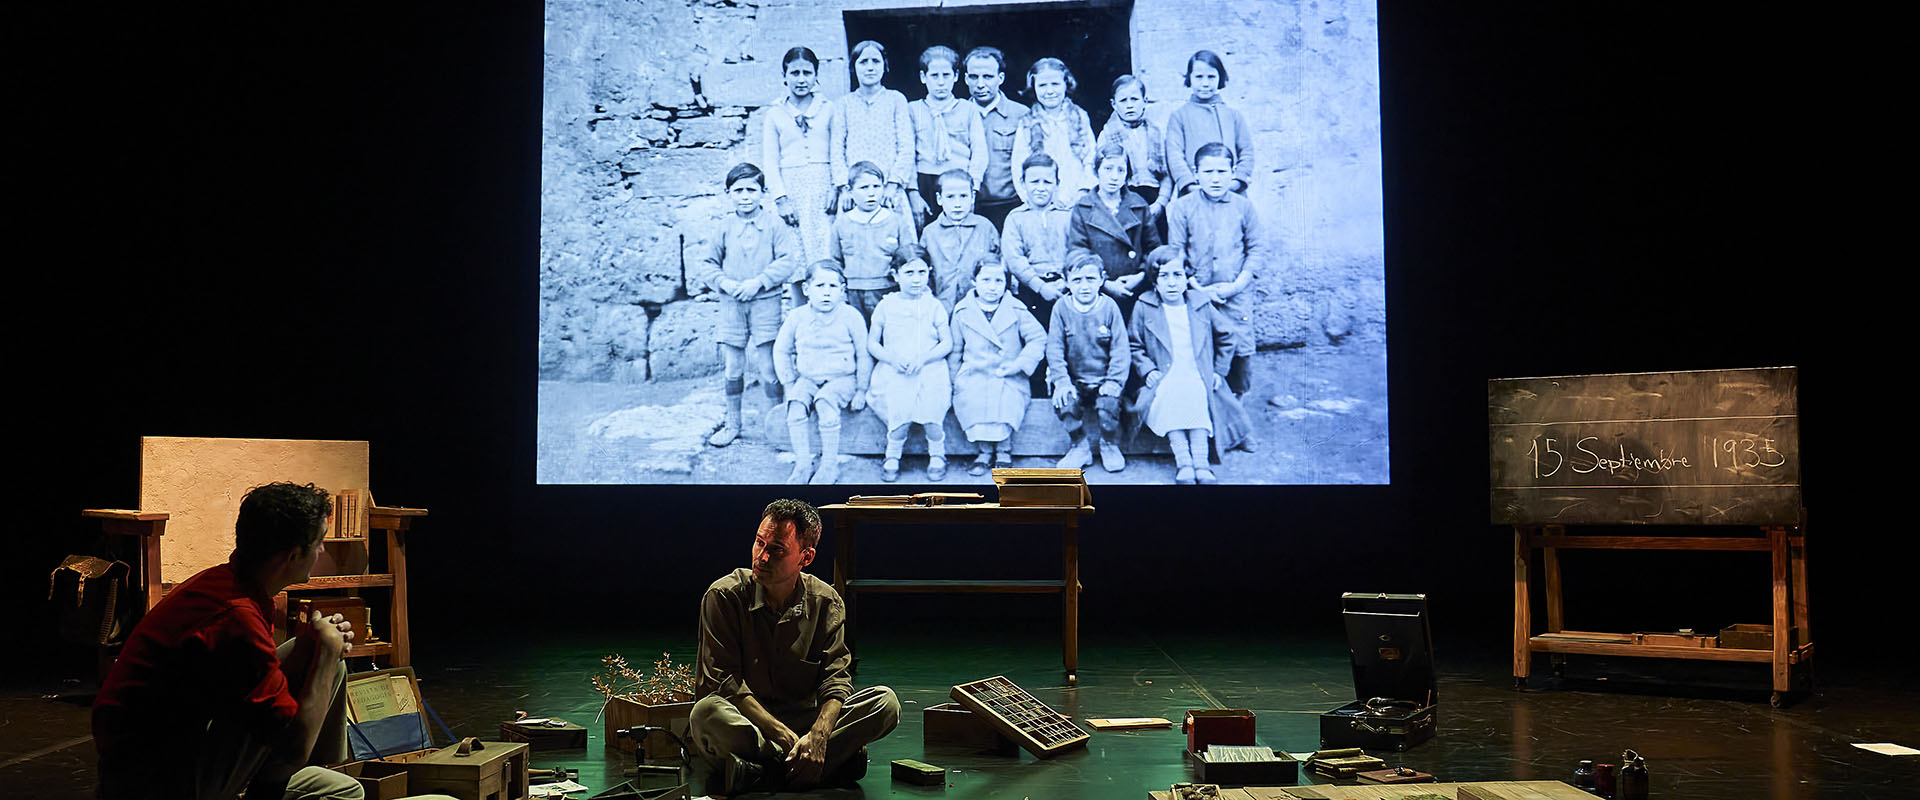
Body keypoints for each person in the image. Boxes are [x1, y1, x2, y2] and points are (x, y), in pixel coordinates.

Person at [93, 482, 363, 800]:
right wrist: (328, 652)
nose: (321, 551)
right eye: (319, 543)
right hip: (154, 778)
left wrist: (319, 648)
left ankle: (277, 778)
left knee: (343, 787)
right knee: (323, 659)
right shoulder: (236, 616)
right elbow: (293, 744)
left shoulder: (230, 582)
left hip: (175, 749)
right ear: (292, 555)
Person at [691, 500, 901, 797]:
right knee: (706, 713)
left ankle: (760, 774)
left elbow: (836, 681)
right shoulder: (724, 596)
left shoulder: (826, 602)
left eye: (776, 549)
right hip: (750, 725)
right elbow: (725, 683)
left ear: (806, 557)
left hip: (803, 723)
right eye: (759, 543)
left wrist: (818, 735)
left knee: (885, 704)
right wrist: (786, 737)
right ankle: (817, 766)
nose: (761, 557)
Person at [692, 162, 802, 447]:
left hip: (765, 301)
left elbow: (788, 260)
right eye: (738, 190)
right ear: (728, 193)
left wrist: (759, 282)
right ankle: (733, 424)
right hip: (732, 304)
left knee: (768, 366)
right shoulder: (724, 227)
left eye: (751, 190)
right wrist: (726, 284)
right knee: (733, 365)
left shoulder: (775, 225)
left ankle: (774, 425)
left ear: (763, 192)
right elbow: (707, 264)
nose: (745, 196)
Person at [1126, 246, 1252, 484]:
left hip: (1196, 371)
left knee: (1196, 393)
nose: (1172, 283)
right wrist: (1147, 369)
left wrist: (1219, 371)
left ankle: (1201, 463)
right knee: (1168, 394)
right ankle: (1184, 461)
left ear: (1186, 278)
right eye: (1164, 276)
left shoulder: (1199, 303)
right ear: (1154, 282)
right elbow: (1134, 345)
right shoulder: (1144, 306)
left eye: (1178, 275)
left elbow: (1227, 336)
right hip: (1164, 373)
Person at [1166, 141, 1264, 416]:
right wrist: (1196, 287)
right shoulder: (1183, 208)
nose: (1216, 178)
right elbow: (1177, 252)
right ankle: (1205, 412)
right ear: (1195, 175)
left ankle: (1236, 411)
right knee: (1201, 346)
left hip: (1235, 292)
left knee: (1240, 347)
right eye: (1208, 172)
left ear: (1233, 173)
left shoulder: (1243, 207)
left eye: (1222, 171)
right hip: (1197, 292)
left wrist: (1238, 284)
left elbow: (1256, 248)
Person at [773, 261, 872, 485]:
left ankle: (829, 466)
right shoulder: (796, 317)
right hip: (807, 378)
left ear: (843, 290)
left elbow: (864, 354)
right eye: (819, 286)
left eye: (833, 287)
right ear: (807, 289)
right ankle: (802, 464)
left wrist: (861, 389)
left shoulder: (851, 316)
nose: (826, 293)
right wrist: (789, 383)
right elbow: (781, 350)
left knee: (826, 405)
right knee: (796, 407)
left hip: (842, 379)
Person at [948, 257, 1046, 475]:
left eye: (998, 281)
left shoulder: (1016, 309)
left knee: (1006, 401)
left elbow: (1038, 338)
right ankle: (983, 451)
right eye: (986, 280)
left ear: (1006, 284)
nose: (992, 287)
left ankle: (1004, 449)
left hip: (1008, 373)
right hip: (974, 372)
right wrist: (954, 380)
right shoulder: (962, 311)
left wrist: (1019, 364)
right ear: (975, 281)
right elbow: (955, 349)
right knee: (971, 398)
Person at [866, 244, 955, 482]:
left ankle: (938, 455)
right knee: (899, 413)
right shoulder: (886, 305)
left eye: (921, 273)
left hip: (929, 367)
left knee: (932, 414)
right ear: (895, 275)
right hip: (896, 369)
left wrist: (924, 358)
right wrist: (892, 359)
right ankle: (892, 455)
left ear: (929, 272)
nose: (916, 280)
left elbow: (947, 343)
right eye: (909, 273)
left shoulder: (934, 306)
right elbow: (872, 343)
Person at [1047, 252, 1131, 473]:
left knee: (1108, 406)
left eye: (1091, 279)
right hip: (1074, 379)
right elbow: (1054, 348)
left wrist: (1114, 380)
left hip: (1104, 379)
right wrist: (1062, 381)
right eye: (1077, 280)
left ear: (1102, 279)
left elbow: (1120, 349)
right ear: (1066, 282)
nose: (1084, 286)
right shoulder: (1061, 308)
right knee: (1065, 402)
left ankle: (1109, 444)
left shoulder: (1110, 307)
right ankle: (1080, 446)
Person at [762, 47, 836, 286]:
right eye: (795, 73)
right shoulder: (775, 114)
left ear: (816, 75)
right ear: (784, 76)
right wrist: (781, 199)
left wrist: (836, 188)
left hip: (823, 188)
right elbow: (770, 161)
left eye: (807, 72)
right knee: (796, 258)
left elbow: (837, 152)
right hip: (792, 190)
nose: (801, 79)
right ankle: (800, 315)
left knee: (826, 250)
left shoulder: (828, 109)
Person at [1000, 152, 1073, 394]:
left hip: (1064, 290)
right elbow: (1014, 259)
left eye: (1047, 181)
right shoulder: (1015, 218)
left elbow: (1076, 249)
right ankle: (1037, 397)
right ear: (1022, 184)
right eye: (1034, 182)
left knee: (1066, 343)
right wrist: (1040, 287)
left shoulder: (1067, 215)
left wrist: (1065, 282)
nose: (1041, 188)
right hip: (1031, 292)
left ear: (1057, 184)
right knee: (1035, 344)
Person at [1068, 141, 1163, 322]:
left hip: (1136, 287)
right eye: (1108, 169)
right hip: (1098, 290)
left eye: (1120, 170)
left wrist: (1141, 275)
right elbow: (1077, 251)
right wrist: (1105, 283)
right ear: (1097, 171)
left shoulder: (1138, 204)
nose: (1114, 177)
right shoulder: (1083, 207)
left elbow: (1153, 248)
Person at [829, 40, 913, 218]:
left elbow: (906, 147)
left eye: (875, 61)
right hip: (854, 193)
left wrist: (892, 185)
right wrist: (845, 188)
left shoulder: (896, 100)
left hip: (889, 192)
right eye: (863, 62)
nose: (870, 67)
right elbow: (836, 149)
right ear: (853, 67)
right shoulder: (843, 104)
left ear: (885, 65)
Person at [907, 45, 987, 227]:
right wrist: (913, 192)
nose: (941, 82)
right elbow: (908, 152)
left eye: (946, 75)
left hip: (960, 181)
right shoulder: (912, 109)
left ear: (956, 76)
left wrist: (973, 189)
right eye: (934, 76)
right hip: (924, 181)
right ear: (923, 77)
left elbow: (979, 152)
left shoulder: (968, 109)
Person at [828, 160, 918, 321]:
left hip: (888, 290)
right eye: (864, 188)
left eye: (876, 187)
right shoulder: (842, 223)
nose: (871, 193)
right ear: (849, 190)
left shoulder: (895, 221)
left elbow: (908, 258)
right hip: (853, 293)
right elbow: (835, 260)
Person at [1165, 49, 1254, 198]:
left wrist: (1237, 182)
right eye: (1199, 77)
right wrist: (1190, 185)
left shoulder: (1233, 116)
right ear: (1189, 78)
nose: (1205, 83)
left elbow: (1247, 151)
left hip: (1231, 193)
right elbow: (1174, 155)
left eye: (1211, 77)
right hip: (1194, 194)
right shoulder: (1179, 116)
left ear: (1220, 78)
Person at [1009, 57, 1096, 209]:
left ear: (1066, 84)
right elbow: (1018, 164)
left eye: (1055, 84)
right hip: (1042, 201)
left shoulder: (1080, 116)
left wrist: (1083, 192)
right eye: (1042, 85)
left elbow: (1091, 158)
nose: (1049, 91)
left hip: (1079, 199)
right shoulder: (1027, 123)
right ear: (1033, 87)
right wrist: (1032, 199)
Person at [1095, 74, 1172, 238]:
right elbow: (1104, 177)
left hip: (1154, 201)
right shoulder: (1107, 135)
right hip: (1123, 201)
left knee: (1158, 253)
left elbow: (1166, 175)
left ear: (1145, 101)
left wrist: (1160, 204)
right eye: (1123, 101)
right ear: (1113, 104)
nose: (1129, 105)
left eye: (1134, 99)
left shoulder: (1157, 133)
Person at [962, 46, 1029, 230]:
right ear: (966, 79)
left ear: (1001, 78)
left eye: (988, 77)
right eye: (974, 77)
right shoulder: (958, 113)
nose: (980, 84)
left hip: (1009, 205)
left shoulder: (1021, 115)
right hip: (967, 206)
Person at [919, 168, 1001, 312]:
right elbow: (923, 269)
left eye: (963, 196)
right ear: (939, 199)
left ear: (972, 197)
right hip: (941, 304)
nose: (957, 203)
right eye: (950, 197)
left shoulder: (985, 227)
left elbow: (1000, 262)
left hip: (979, 304)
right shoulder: (930, 232)